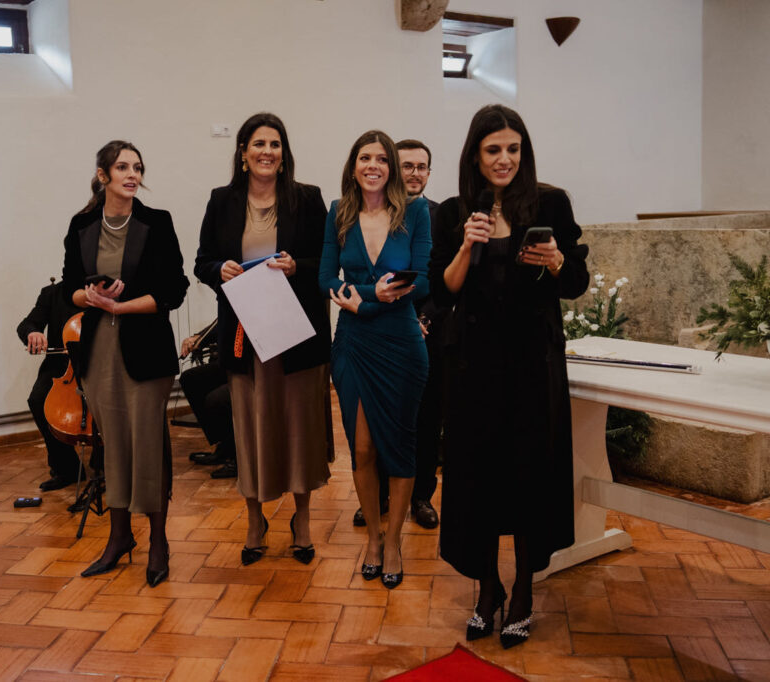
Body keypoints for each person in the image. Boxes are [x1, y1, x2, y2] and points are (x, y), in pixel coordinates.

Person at [429, 104, 590, 648]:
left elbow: (576, 283)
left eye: (513, 149)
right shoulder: (454, 211)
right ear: (475, 154)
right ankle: (487, 588)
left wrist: (557, 261)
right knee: (476, 476)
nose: (505, 159)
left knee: (528, 475)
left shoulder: (550, 203)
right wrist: (466, 246)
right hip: (472, 365)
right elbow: (442, 290)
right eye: (493, 149)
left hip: (531, 365)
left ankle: (522, 589)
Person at [194, 112, 332, 567]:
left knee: (300, 431)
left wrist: (297, 267)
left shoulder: (307, 199)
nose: (267, 152)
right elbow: (202, 262)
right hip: (245, 336)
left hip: (296, 337)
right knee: (252, 433)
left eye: (275, 144)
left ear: (283, 153)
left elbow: (325, 262)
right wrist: (220, 269)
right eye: (258, 144)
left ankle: (302, 521)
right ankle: (255, 522)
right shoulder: (222, 200)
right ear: (243, 152)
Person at [61, 140, 189, 587]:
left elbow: (175, 288)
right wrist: (90, 297)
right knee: (111, 444)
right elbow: (68, 289)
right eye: (122, 167)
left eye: (137, 168)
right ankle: (119, 537)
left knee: (148, 444)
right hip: (99, 351)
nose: (132, 175)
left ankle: (158, 542)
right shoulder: (81, 225)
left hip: (147, 350)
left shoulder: (157, 222)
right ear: (103, 176)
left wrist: (122, 306)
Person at [319, 130, 431, 589]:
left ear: (392, 168)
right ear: (353, 166)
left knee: (399, 446)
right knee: (362, 448)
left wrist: (365, 300)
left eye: (382, 159)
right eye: (365, 157)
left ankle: (396, 541)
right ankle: (373, 538)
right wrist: (371, 296)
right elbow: (325, 277)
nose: (374, 165)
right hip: (353, 343)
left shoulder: (415, 212)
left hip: (401, 343)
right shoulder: (339, 211)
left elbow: (423, 280)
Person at [16, 277, 86, 493]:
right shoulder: (52, 293)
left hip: (98, 364)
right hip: (60, 366)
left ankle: (104, 461)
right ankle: (66, 467)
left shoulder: (103, 292)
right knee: (38, 400)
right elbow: (27, 324)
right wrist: (33, 332)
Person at [178, 320, 237, 479]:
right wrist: (199, 337)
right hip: (233, 362)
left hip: (250, 366)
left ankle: (239, 457)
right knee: (190, 380)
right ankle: (225, 446)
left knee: (216, 400)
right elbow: (222, 320)